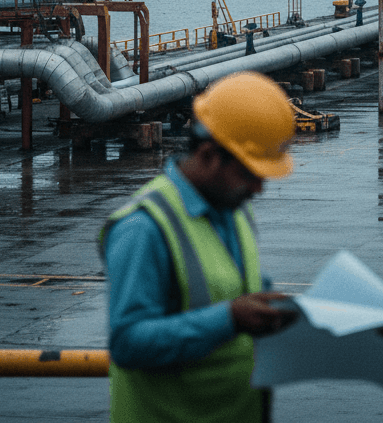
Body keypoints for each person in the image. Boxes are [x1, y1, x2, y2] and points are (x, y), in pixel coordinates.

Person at [100, 71, 298, 423]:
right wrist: (230, 318)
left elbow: (228, 286)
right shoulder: (144, 227)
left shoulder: (233, 209)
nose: (258, 189)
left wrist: (274, 304)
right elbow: (128, 342)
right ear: (209, 155)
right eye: (251, 174)